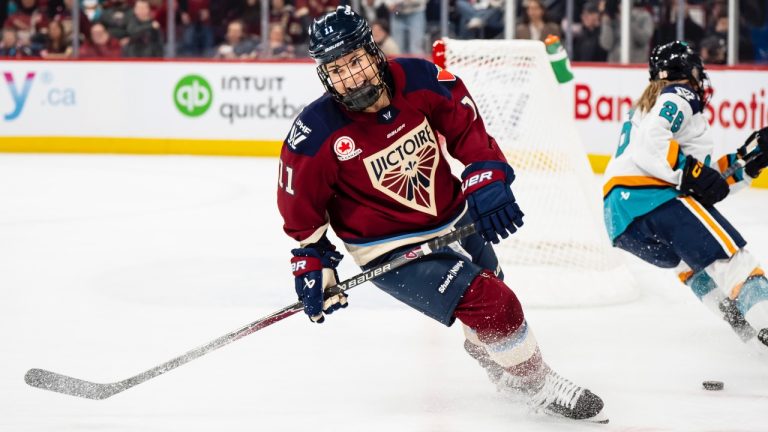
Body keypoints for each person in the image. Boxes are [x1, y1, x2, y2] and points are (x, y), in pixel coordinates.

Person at [277, 5, 608, 423]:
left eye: (356, 60)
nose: (351, 76)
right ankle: (539, 386)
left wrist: (486, 180)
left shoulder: (418, 79)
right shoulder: (314, 133)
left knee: (492, 291)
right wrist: (313, 259)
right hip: (389, 251)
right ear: (325, 74)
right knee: (496, 304)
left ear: (372, 50)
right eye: (337, 68)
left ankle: (498, 367)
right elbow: (301, 211)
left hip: (455, 218)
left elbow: (467, 131)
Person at [603, 41, 768, 352]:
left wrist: (748, 161)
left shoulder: (642, 109)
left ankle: (748, 331)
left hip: (621, 220)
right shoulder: (680, 94)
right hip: (653, 200)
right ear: (689, 73)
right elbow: (654, 147)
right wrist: (691, 173)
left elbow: (702, 184)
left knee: (696, 266)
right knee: (732, 260)